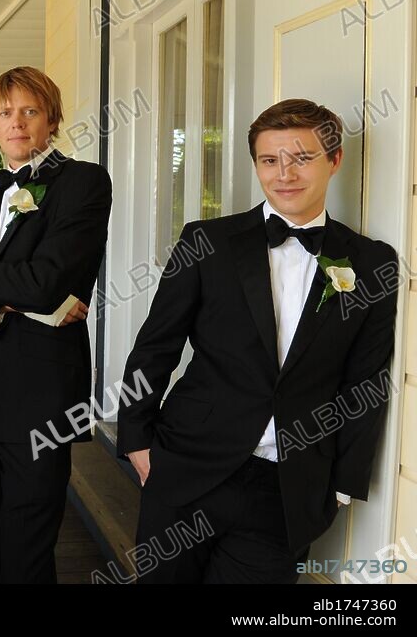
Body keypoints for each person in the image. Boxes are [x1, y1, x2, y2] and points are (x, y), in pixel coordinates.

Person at [117, 98, 399, 583]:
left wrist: (339, 487)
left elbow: (365, 380)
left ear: (334, 160)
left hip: (286, 492)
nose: (284, 173)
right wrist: (137, 440)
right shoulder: (205, 241)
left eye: (302, 157)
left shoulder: (372, 263)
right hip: (187, 468)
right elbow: (155, 346)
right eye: (270, 160)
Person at [0, 66, 112, 583]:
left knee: (28, 551)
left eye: (30, 110)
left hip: (41, 399)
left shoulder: (83, 182)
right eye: (5, 113)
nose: (17, 122)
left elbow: (48, 284)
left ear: (51, 119)